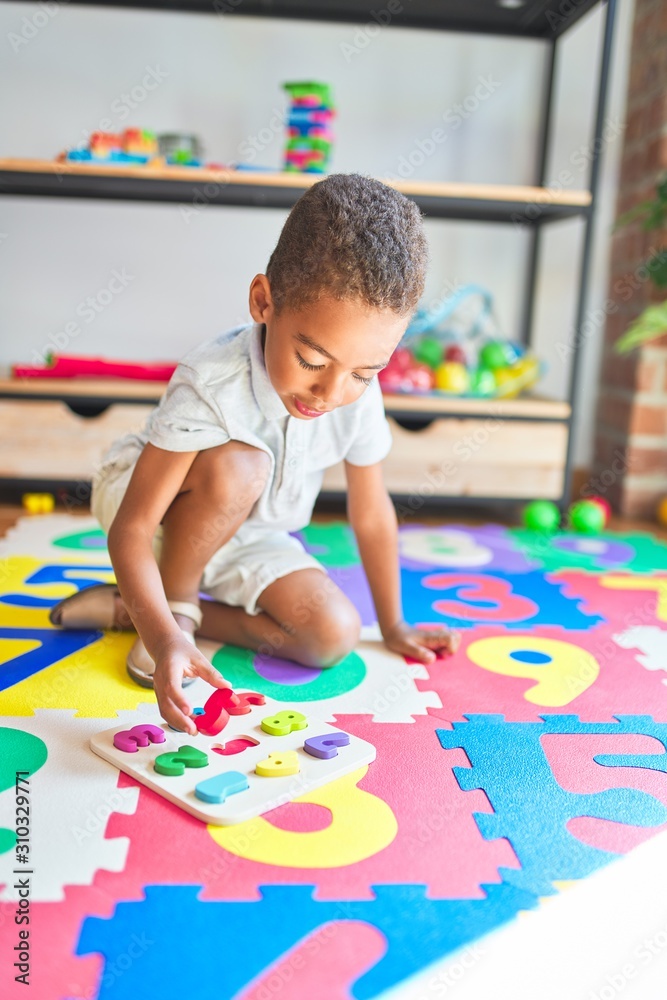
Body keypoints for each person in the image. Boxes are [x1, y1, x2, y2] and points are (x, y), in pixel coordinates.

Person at [50, 173, 459, 733]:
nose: (330, 393)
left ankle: (131, 609)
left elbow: (371, 512)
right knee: (243, 466)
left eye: (363, 373)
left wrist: (392, 624)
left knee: (331, 634)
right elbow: (132, 528)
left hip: (252, 531)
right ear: (264, 301)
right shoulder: (211, 380)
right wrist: (166, 636)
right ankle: (175, 610)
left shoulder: (355, 397)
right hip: (157, 504)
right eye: (313, 361)